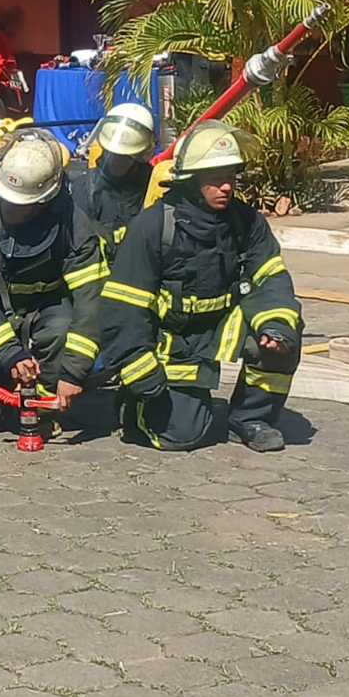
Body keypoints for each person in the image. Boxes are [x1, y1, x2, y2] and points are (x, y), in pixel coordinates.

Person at [100, 121, 304, 453]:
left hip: (221, 327)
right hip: (171, 340)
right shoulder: (153, 226)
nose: (226, 187)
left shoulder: (246, 223)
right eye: (215, 179)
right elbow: (124, 308)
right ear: (192, 181)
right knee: (183, 435)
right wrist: (140, 372)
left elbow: (271, 279)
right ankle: (133, 405)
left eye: (231, 177)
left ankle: (251, 418)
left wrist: (275, 325)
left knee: (284, 335)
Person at [0, 128, 108, 433]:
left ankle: (46, 401)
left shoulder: (74, 224)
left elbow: (92, 301)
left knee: (61, 327)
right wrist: (10, 354)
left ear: (45, 199)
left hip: (48, 311)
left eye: (22, 204)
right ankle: (11, 375)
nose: (12, 208)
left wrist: (74, 372)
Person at [70, 102, 157, 248]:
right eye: (112, 154)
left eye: (125, 156)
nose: (116, 160)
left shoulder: (153, 185)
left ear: (139, 154)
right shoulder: (85, 189)